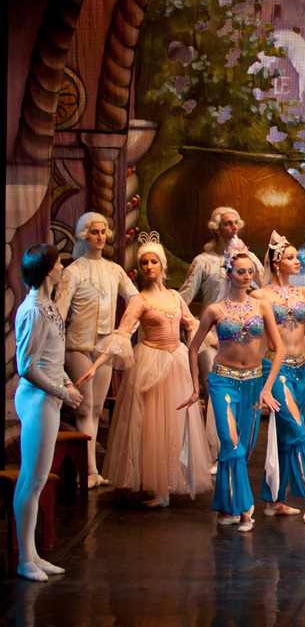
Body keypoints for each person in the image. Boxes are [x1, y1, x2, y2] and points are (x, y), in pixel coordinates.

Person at [84, 232, 212, 507]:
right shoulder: (139, 300)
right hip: (151, 362)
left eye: (154, 261)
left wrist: (217, 343)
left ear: (162, 265)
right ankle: (157, 486)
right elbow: (122, 334)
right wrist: (95, 365)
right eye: (144, 263)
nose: (149, 266)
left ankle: (172, 479)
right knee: (152, 425)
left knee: (176, 423)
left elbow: (192, 325)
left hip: (177, 361)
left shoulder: (175, 296)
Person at [185, 237, 285, 532]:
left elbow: (278, 348)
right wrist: (196, 387)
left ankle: (226, 507)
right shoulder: (215, 310)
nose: (246, 276)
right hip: (223, 381)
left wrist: (267, 387)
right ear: (228, 273)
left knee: (243, 448)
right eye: (241, 271)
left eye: (250, 272)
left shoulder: (262, 307)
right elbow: (193, 347)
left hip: (253, 382)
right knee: (231, 443)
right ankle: (245, 509)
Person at [252, 231, 305, 524]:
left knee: (288, 435)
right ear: (277, 263)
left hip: (302, 368)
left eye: (296, 256)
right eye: (290, 257)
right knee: (299, 431)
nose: (297, 260)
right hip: (275, 370)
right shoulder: (260, 296)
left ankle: (274, 499)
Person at [14, 244, 83, 581]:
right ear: (46, 270)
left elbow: (52, 358)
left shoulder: (49, 306)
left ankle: (33, 554)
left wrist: (67, 382)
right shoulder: (34, 310)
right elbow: (26, 366)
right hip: (38, 400)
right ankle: (25, 558)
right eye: (58, 263)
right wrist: (61, 391)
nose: (62, 268)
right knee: (33, 479)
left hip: (49, 397)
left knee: (37, 480)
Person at [55, 211, 138, 488]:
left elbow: (136, 300)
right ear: (84, 235)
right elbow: (59, 313)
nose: (100, 237)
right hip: (78, 345)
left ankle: (91, 470)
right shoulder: (73, 271)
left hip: (105, 347)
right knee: (85, 407)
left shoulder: (114, 270)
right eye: (94, 232)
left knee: (96, 408)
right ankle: (88, 470)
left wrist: (124, 331)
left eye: (103, 232)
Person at [179, 207, 265, 462]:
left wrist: (248, 259)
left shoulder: (247, 260)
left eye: (236, 223)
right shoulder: (203, 261)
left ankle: (234, 450)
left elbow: (263, 287)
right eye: (227, 223)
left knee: (243, 397)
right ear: (216, 228)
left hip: (242, 335)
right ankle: (217, 452)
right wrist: (192, 324)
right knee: (216, 394)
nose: (233, 228)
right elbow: (184, 297)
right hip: (212, 336)